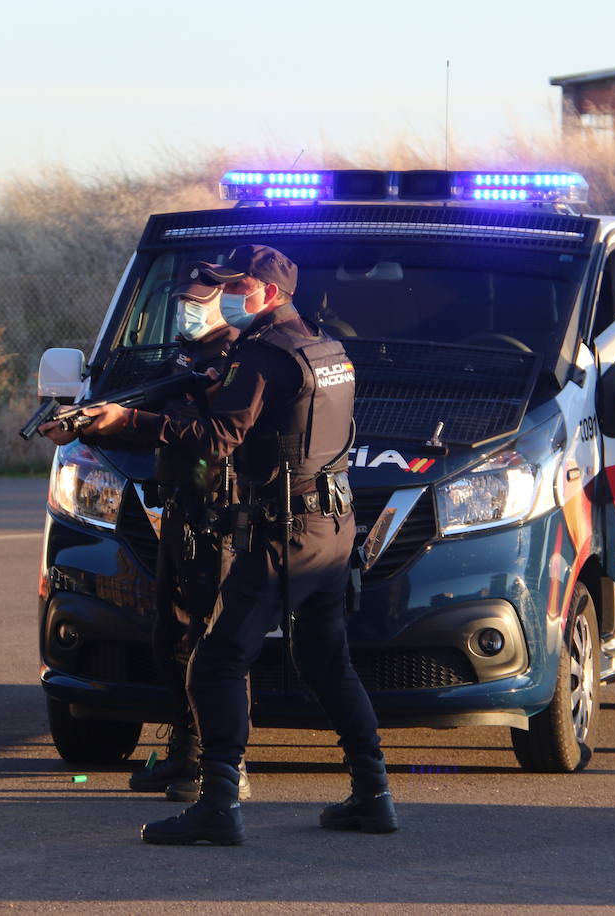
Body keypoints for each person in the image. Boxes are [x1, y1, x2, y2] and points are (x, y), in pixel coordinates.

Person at [79, 244, 395, 845]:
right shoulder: (328, 349)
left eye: (236, 286)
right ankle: (373, 794)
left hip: (286, 530)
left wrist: (130, 424)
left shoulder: (262, 356)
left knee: (218, 659)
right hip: (334, 527)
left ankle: (219, 804)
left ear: (269, 294)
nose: (225, 296)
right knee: (327, 661)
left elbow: (216, 439)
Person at [39, 278, 246, 803]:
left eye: (196, 303)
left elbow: (214, 433)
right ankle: (185, 751)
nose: (186, 310)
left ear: (226, 301)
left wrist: (127, 419)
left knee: (212, 644)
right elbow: (148, 418)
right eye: (180, 303)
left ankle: (223, 766)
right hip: (176, 509)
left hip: (217, 513)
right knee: (171, 638)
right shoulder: (185, 357)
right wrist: (85, 427)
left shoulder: (233, 358)